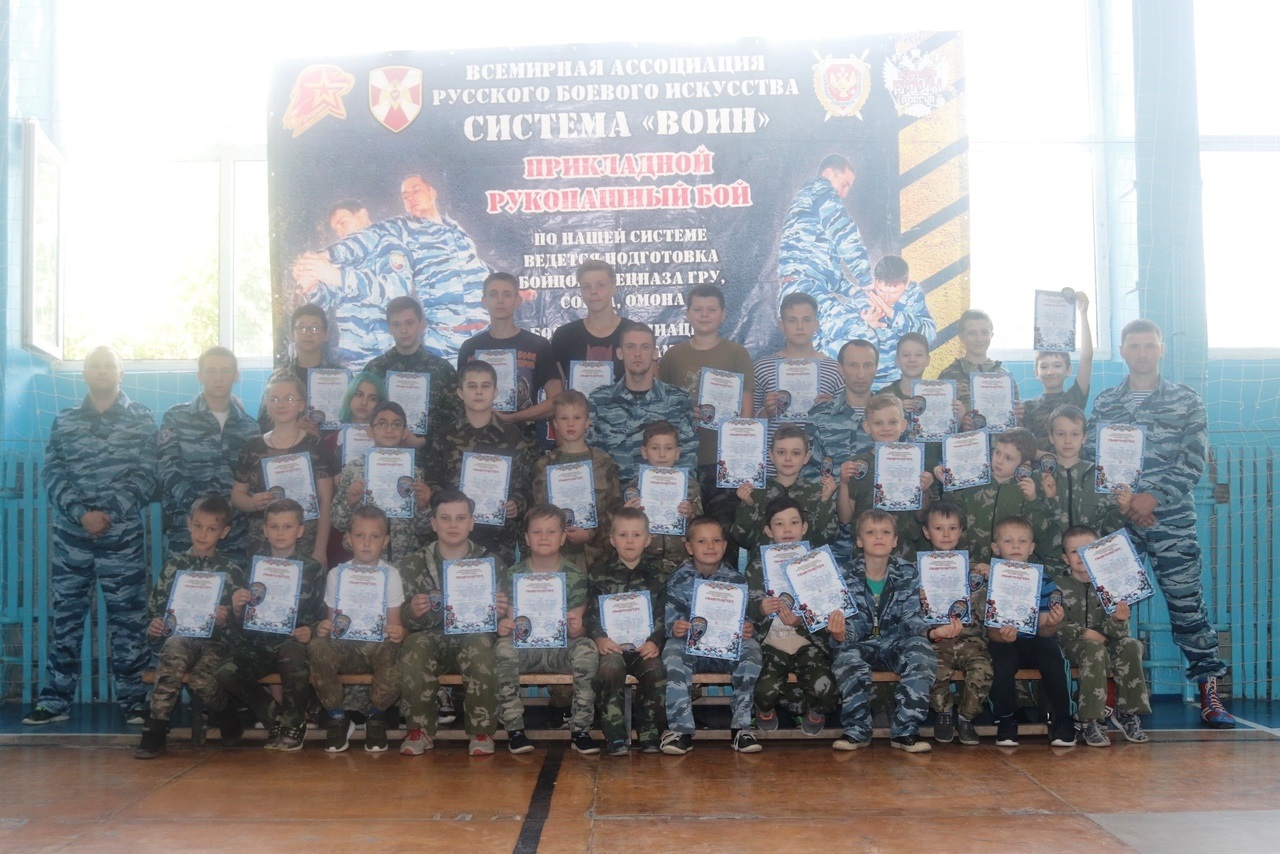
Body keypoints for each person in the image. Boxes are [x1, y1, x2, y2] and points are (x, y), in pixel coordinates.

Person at [1087, 318, 1235, 728]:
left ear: (1162, 349)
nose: (1142, 353)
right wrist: (1126, 505)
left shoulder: (1187, 401)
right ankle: (1107, 695)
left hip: (1172, 522)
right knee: (1112, 605)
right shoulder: (1105, 403)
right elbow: (1091, 458)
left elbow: (1193, 459)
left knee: (1188, 606)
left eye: (1149, 345)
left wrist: (1151, 499)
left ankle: (1209, 693)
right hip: (1118, 522)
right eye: (1134, 346)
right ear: (1122, 351)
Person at [25, 346, 158, 726]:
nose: (101, 372)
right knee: (66, 618)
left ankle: (134, 699)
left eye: (108, 366)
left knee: (129, 621)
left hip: (122, 537)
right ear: (84, 374)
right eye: (94, 366)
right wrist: (81, 514)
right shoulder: (65, 420)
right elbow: (52, 473)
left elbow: (148, 472)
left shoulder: (141, 419)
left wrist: (110, 513)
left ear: (121, 373)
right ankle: (55, 701)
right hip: (72, 538)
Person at [293, 174, 491, 360]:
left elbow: (474, 266)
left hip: (482, 335)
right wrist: (319, 265)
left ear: (432, 192)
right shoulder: (400, 228)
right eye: (405, 196)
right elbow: (361, 241)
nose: (411, 197)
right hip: (443, 341)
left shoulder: (456, 231)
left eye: (416, 190)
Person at [214, 498, 326, 752]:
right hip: (258, 642)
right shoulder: (255, 567)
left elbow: (322, 615)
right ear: (264, 530)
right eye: (274, 526)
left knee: (293, 657)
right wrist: (238, 608)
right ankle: (275, 716)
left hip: (292, 641)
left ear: (300, 530)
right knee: (226, 671)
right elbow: (241, 622)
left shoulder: (313, 569)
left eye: (287, 526)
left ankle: (294, 723)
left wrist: (311, 631)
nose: (280, 532)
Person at [398, 489, 502, 757]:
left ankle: (482, 731)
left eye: (460, 518)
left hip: (473, 638)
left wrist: (502, 610)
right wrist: (412, 611)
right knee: (414, 644)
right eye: (445, 518)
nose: (453, 525)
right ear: (433, 523)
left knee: (481, 643)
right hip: (433, 638)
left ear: (471, 523)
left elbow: (505, 619)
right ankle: (418, 730)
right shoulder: (412, 564)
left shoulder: (490, 562)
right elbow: (402, 618)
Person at [133, 496, 238, 758]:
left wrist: (225, 619)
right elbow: (156, 612)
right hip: (181, 637)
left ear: (224, 532)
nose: (203, 534)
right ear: (188, 524)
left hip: (216, 642)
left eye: (212, 528)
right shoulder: (173, 567)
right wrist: (155, 627)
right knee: (172, 650)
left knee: (201, 681)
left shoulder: (231, 571)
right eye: (198, 526)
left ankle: (226, 711)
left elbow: (241, 623)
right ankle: (156, 729)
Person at [658, 283, 755, 567]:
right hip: (684, 462)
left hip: (724, 463)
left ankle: (726, 589)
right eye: (698, 309)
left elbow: (747, 411)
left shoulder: (736, 353)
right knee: (686, 534)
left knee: (723, 537)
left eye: (711, 309)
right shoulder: (673, 356)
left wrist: (739, 455)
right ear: (687, 313)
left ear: (723, 314)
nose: (704, 315)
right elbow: (665, 409)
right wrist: (688, 413)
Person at [494, 504, 600, 755]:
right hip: (526, 650)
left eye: (551, 532)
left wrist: (577, 629)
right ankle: (515, 731)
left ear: (563, 537)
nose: (544, 537)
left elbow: (578, 628)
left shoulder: (575, 576)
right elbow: (510, 621)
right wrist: (504, 627)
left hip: (560, 650)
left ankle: (581, 730)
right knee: (503, 648)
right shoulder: (512, 575)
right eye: (537, 532)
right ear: (527, 538)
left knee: (586, 649)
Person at [829, 510, 937, 753]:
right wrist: (840, 634)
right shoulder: (843, 575)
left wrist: (930, 633)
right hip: (860, 643)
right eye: (871, 532)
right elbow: (849, 624)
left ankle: (905, 731)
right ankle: (857, 730)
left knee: (921, 651)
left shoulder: (907, 572)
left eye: (886, 532)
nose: (879, 537)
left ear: (895, 540)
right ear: (859, 541)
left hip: (895, 643)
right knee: (847, 657)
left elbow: (911, 619)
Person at [660, 517, 763, 755]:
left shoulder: (737, 580)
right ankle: (681, 731)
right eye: (702, 541)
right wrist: (676, 627)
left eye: (716, 541)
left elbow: (748, 620)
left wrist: (748, 628)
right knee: (672, 650)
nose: (710, 546)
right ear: (689, 547)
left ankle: (741, 729)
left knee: (752, 649)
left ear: (725, 546)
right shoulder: (677, 578)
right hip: (691, 649)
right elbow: (669, 620)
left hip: (725, 649)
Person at [309, 505, 406, 753]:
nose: (367, 543)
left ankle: (377, 716)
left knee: (396, 649)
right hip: (346, 648)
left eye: (375, 536)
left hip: (378, 647)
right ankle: (337, 717)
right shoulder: (336, 575)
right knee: (318, 646)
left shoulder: (391, 575)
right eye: (360, 535)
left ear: (385, 541)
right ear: (349, 539)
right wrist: (324, 628)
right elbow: (332, 624)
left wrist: (398, 632)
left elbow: (395, 624)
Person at [422, 360, 537, 566]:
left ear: (495, 392)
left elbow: (527, 486)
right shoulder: (445, 436)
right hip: (454, 537)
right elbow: (433, 482)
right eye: (472, 386)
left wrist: (516, 504)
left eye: (485, 386)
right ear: (460, 392)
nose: (478, 392)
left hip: (499, 541)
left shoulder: (512, 436)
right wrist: (448, 506)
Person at [158, 346, 260, 564]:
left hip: (232, 534)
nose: (218, 378)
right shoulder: (176, 418)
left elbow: (252, 480)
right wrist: (200, 513)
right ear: (200, 375)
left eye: (225, 371)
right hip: (186, 531)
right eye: (211, 371)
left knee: (231, 587)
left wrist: (225, 516)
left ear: (236, 376)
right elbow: (167, 469)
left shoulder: (250, 428)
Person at [747, 498, 837, 737]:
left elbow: (829, 610)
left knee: (827, 692)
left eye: (794, 522)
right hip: (771, 644)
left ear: (804, 527)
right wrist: (760, 609)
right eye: (779, 524)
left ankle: (815, 713)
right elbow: (744, 612)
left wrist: (800, 621)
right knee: (764, 692)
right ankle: (764, 711)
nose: (787, 529)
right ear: (768, 531)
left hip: (807, 643)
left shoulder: (818, 564)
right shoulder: (757, 567)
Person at [985, 515, 1076, 748]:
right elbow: (990, 632)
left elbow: (1045, 632)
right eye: (1008, 541)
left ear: (1032, 547)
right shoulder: (990, 581)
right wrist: (1001, 636)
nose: (1016, 546)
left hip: (1036, 639)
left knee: (1054, 659)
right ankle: (1006, 720)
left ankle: (1064, 720)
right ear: (996, 548)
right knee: (1000, 663)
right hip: (1004, 640)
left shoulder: (1044, 581)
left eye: (1022, 541)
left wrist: (1052, 623)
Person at [1056, 525, 1151, 748]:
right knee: (1094, 649)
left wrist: (1118, 620)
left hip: (1106, 642)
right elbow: (1053, 625)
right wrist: (1084, 633)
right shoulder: (1058, 586)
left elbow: (1118, 634)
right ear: (1065, 558)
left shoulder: (1111, 584)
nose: (1081, 556)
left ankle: (1128, 713)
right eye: (1074, 551)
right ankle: (1090, 720)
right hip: (1071, 646)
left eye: (1087, 550)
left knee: (1131, 645)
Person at [585, 507, 667, 756]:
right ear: (612, 539)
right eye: (622, 535)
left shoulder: (658, 575)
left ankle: (650, 735)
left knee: (656, 670)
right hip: (613, 647)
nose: (630, 541)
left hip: (645, 647)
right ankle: (615, 737)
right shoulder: (598, 573)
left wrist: (655, 641)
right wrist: (599, 638)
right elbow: (590, 613)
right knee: (610, 669)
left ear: (648, 539)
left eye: (636, 535)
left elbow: (665, 614)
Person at [231, 370, 335, 568]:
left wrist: (320, 550)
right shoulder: (252, 446)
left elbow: (325, 500)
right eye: (274, 399)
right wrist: (252, 503)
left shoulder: (316, 446)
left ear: (302, 405)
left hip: (306, 545)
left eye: (289, 398)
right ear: (266, 404)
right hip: (262, 546)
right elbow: (237, 495)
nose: (280, 404)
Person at [290, 198, 409, 369]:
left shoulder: (388, 244)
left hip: (385, 358)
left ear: (362, 215)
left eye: (343, 223)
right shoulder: (342, 261)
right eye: (336, 230)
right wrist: (312, 287)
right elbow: (325, 303)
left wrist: (338, 277)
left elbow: (397, 294)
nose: (340, 233)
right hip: (349, 361)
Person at [777, 154, 873, 360]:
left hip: (803, 289)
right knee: (862, 335)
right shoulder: (821, 189)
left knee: (820, 351)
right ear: (829, 174)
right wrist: (866, 279)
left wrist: (855, 290)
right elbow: (844, 233)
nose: (845, 193)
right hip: (806, 289)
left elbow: (823, 267)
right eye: (844, 184)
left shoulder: (808, 199)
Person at [458, 272, 563, 445]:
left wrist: (513, 418)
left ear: (517, 301)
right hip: (476, 443)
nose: (500, 300)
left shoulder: (538, 345)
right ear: (484, 301)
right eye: (493, 294)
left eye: (507, 294)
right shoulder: (470, 347)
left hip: (523, 444)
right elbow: (460, 398)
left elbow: (557, 401)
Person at [918, 500, 991, 746]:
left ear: (960, 531)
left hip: (970, 639)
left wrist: (993, 577)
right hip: (937, 639)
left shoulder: (976, 570)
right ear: (926, 532)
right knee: (933, 670)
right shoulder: (918, 571)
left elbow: (996, 605)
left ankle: (966, 718)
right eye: (939, 528)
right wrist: (919, 596)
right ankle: (944, 712)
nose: (946, 534)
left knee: (983, 670)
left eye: (952, 528)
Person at [587, 321, 698, 483]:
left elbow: (687, 456)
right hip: (615, 496)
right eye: (630, 347)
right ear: (620, 353)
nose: (637, 354)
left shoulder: (677, 399)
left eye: (645, 347)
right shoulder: (600, 400)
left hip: (664, 493)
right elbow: (592, 457)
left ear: (655, 353)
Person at [752, 292, 845, 475]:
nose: (800, 326)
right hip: (772, 472)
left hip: (817, 472)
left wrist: (831, 411)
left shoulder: (835, 369)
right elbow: (749, 424)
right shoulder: (762, 367)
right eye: (792, 320)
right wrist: (766, 412)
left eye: (806, 320)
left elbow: (843, 426)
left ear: (816, 325)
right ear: (781, 325)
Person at [532, 390, 623, 572]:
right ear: (555, 424)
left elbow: (616, 512)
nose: (570, 423)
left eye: (577, 417)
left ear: (587, 421)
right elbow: (537, 513)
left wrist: (591, 534)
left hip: (598, 558)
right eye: (564, 418)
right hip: (555, 558)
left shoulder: (603, 463)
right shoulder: (544, 465)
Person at [331, 401, 433, 564]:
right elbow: (337, 522)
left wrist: (424, 507)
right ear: (370, 431)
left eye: (396, 424)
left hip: (405, 561)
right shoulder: (353, 470)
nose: (389, 430)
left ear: (405, 432)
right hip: (364, 559)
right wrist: (349, 503)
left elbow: (423, 529)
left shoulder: (414, 473)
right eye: (382, 424)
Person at [837, 395, 936, 560]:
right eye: (878, 423)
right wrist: (843, 483)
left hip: (907, 552)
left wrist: (924, 491)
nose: (886, 428)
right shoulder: (857, 464)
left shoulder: (916, 461)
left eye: (892, 422)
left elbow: (921, 516)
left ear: (903, 425)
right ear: (867, 427)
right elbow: (845, 518)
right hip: (866, 555)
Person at [364, 296, 463, 457]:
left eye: (409, 323)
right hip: (382, 459)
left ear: (421, 324)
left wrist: (424, 441)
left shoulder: (442, 369)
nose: (403, 330)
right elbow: (362, 414)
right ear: (389, 327)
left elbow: (455, 419)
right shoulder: (374, 369)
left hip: (431, 460)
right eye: (396, 324)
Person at [940, 427, 1052, 567]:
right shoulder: (974, 482)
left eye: (1008, 458)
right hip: (974, 564)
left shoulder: (1029, 490)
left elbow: (1039, 534)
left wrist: (1032, 501)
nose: (999, 460)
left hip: (1012, 570)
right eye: (997, 452)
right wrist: (949, 485)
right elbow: (953, 517)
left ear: (1025, 464)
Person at [1040, 405, 1132, 573]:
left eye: (1075, 434)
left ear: (1084, 437)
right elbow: (1034, 526)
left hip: (1094, 565)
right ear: (1051, 437)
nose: (1068, 440)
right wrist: (1049, 499)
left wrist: (1123, 510)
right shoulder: (1038, 478)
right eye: (1061, 434)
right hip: (1050, 567)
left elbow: (1108, 528)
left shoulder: (1102, 477)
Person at [731, 425, 839, 553]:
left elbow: (827, 538)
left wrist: (825, 501)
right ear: (771, 455)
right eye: (781, 452)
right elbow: (742, 539)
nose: (788, 458)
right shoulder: (755, 492)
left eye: (796, 453)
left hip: (804, 563)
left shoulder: (817, 492)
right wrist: (748, 505)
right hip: (763, 564)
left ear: (806, 457)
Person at [319, 371, 386, 567]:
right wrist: (335, 483)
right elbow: (322, 496)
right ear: (349, 398)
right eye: (359, 394)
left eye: (372, 398)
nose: (364, 402)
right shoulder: (328, 443)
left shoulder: (390, 445)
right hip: (340, 533)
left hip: (376, 535)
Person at [621, 420, 702, 579]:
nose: (662, 454)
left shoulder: (690, 486)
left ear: (677, 453)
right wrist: (628, 513)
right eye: (655, 448)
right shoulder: (633, 488)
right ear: (644, 452)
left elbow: (700, 524)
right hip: (645, 560)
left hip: (682, 560)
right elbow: (622, 526)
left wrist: (691, 513)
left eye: (669, 448)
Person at [841, 255, 936, 387]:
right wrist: (865, 326)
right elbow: (839, 346)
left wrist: (893, 315)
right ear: (875, 281)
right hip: (865, 382)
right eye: (881, 290)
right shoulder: (862, 298)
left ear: (906, 283)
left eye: (893, 293)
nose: (886, 298)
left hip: (902, 383)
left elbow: (929, 335)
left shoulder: (912, 295)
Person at [1022, 290, 1094, 448]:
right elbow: (1025, 447)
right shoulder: (1028, 407)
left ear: (1068, 370)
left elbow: (1087, 356)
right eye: (1044, 366)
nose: (1050, 372)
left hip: (1073, 464)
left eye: (1057, 365)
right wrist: (1047, 458)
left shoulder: (1074, 398)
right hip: (1040, 464)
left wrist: (1083, 313)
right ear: (1036, 372)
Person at [258, 304, 344, 432]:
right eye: (302, 328)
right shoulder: (279, 377)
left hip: (331, 443)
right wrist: (293, 428)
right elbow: (263, 423)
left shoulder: (340, 376)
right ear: (292, 335)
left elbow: (351, 419)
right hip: (289, 444)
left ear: (326, 334)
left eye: (315, 328)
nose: (308, 333)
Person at [550, 259, 626, 381]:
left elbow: (652, 386)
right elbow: (557, 389)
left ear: (613, 289)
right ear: (581, 291)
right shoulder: (564, 336)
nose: (593, 291)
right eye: (586, 286)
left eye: (600, 285)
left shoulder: (634, 334)